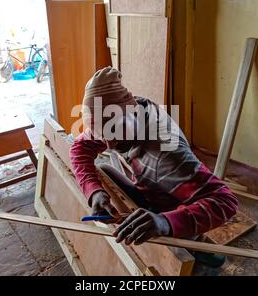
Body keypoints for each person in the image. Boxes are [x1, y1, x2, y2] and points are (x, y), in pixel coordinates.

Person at [70, 67, 238, 267]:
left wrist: (164, 222)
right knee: (105, 171)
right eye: (100, 135)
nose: (109, 145)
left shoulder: (167, 157)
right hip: (152, 189)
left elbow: (226, 202)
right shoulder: (130, 109)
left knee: (180, 255)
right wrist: (94, 190)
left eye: (113, 133)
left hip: (175, 206)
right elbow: (80, 147)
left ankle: (194, 246)